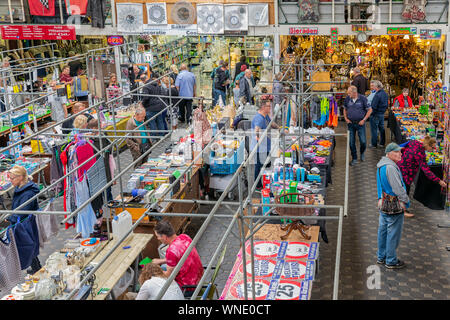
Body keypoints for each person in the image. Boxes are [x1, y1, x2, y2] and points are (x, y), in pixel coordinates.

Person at [376, 143, 410, 269]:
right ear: (389, 153)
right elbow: (398, 188)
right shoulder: (390, 167)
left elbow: (379, 185)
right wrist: (405, 201)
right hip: (394, 204)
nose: (400, 154)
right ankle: (390, 260)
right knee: (393, 233)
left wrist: (380, 198)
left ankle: (381, 256)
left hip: (384, 203)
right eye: (397, 152)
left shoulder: (381, 165)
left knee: (383, 231)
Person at [397, 136, 447, 218]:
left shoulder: (415, 142)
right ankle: (402, 211)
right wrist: (439, 181)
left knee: (402, 190)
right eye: (433, 147)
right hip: (406, 172)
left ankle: (402, 209)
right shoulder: (420, 153)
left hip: (399, 166)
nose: (433, 149)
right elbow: (426, 171)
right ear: (428, 145)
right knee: (404, 191)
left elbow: (402, 145)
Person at [152, 220, 203, 296]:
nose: (158, 238)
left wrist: (152, 271)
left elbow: (168, 276)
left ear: (164, 237)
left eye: (158, 236)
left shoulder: (171, 251)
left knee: (154, 283)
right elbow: (179, 256)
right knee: (163, 266)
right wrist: (161, 261)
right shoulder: (184, 237)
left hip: (188, 288)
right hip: (199, 279)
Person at [7, 165, 42, 274]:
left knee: (27, 246)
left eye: (12, 178)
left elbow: (22, 212)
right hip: (24, 223)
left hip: (25, 224)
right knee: (29, 246)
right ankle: (37, 268)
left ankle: (37, 269)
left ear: (21, 177)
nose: (10, 180)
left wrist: (10, 218)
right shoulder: (21, 188)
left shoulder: (27, 193)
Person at [251, 99, 281, 189]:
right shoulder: (259, 118)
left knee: (267, 165)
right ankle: (258, 185)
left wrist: (279, 128)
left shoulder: (265, 116)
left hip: (266, 147)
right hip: (260, 148)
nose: (270, 108)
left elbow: (272, 123)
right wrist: (259, 137)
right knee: (259, 166)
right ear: (263, 107)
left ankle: (266, 181)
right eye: (269, 106)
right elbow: (257, 129)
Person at [142, 73, 178, 139]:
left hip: (151, 107)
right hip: (159, 106)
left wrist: (142, 104)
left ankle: (154, 137)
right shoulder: (156, 85)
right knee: (160, 121)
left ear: (143, 81)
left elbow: (146, 98)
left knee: (152, 123)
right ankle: (162, 134)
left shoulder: (146, 86)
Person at [86, 119, 114, 202]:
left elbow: (110, 146)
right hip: (96, 164)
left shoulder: (103, 134)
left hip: (105, 162)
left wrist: (107, 151)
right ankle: (103, 202)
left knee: (107, 186)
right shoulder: (89, 139)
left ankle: (109, 201)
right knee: (99, 185)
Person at [343, 85, 372, 166]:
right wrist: (345, 118)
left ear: (354, 92)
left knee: (363, 141)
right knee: (351, 142)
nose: (348, 95)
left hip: (360, 123)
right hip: (351, 123)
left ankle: (362, 152)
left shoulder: (363, 98)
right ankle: (354, 158)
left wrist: (364, 120)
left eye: (349, 93)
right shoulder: (347, 99)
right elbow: (344, 109)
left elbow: (370, 109)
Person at [369, 80, 389, 148]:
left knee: (374, 130)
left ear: (376, 86)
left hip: (375, 114)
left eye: (373, 86)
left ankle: (374, 144)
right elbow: (387, 105)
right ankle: (382, 143)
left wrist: (371, 113)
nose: (372, 88)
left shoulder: (377, 95)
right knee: (381, 128)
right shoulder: (385, 94)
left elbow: (373, 106)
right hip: (381, 113)